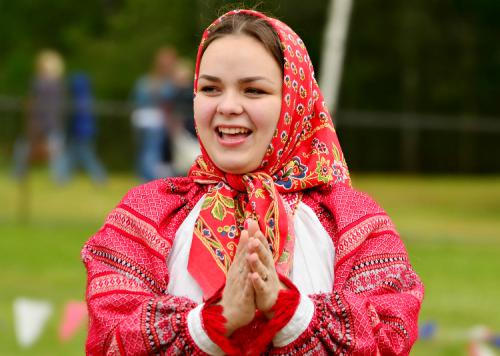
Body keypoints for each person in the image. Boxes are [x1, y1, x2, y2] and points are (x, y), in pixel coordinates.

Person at [82, 9, 423, 355]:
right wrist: (212, 321)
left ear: (295, 101)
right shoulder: (149, 214)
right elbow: (111, 339)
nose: (228, 106)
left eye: (254, 90)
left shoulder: (351, 221)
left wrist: (289, 310)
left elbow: (388, 339)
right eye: (211, 88)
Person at [12, 49, 68, 183]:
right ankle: (59, 179)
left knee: (24, 147)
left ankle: (19, 174)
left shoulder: (40, 83)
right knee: (56, 152)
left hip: (41, 122)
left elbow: (35, 103)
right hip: (53, 122)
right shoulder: (58, 84)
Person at [131, 47, 177, 181]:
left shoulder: (145, 81)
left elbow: (136, 99)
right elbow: (169, 99)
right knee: (152, 150)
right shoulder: (167, 83)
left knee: (143, 149)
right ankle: (149, 178)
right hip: (155, 119)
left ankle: (142, 176)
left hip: (140, 118)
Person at [65, 72, 107, 185]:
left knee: (86, 157)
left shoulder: (79, 99)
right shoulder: (87, 97)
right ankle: (63, 178)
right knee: (74, 156)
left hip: (80, 133)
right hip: (87, 133)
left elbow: (75, 119)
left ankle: (100, 178)